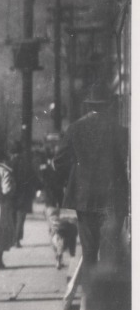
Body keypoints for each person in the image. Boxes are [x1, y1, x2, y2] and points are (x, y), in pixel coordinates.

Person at [53, 82, 129, 291]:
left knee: (89, 250)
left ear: (89, 106)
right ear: (109, 105)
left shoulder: (75, 128)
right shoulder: (120, 131)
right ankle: (107, 300)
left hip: (84, 197)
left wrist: (76, 174)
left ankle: (91, 300)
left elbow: (59, 160)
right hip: (112, 197)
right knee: (109, 249)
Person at [8, 140, 39, 248]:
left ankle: (11, 238)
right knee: (21, 218)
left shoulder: (9, 163)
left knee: (12, 217)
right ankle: (17, 239)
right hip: (24, 193)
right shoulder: (27, 162)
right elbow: (33, 177)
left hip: (11, 193)